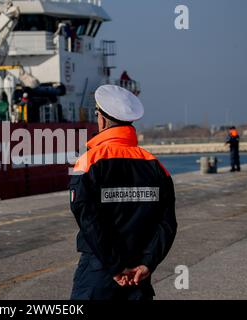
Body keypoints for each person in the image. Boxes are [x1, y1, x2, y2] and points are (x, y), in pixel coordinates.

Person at [70, 85, 177, 300]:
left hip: (99, 271)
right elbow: (167, 224)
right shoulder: (155, 166)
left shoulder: (89, 162)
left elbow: (88, 220)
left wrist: (115, 266)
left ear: (101, 120)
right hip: (139, 275)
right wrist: (147, 263)